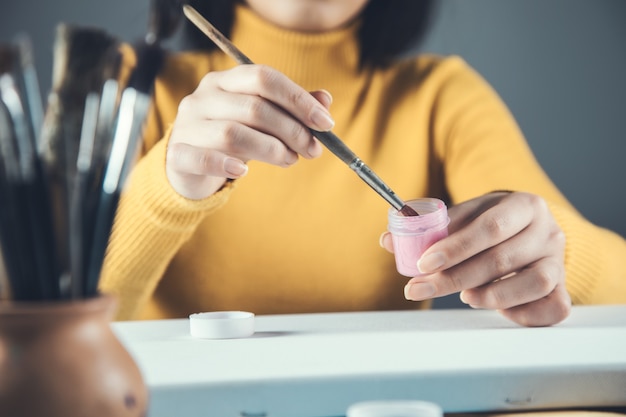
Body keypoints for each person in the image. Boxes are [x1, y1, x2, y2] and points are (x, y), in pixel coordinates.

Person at [99, 0, 626, 326]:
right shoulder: (134, 87)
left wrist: (554, 249)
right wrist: (167, 189)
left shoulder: (440, 97)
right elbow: (46, 337)